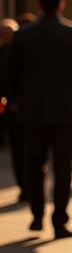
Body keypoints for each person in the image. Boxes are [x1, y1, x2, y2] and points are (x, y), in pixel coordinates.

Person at [0, 0, 72, 238]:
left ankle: (36, 215)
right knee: (63, 166)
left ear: (39, 4)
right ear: (62, 4)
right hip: (66, 111)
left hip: (32, 111)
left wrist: (8, 97)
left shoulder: (23, 35)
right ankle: (59, 220)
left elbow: (10, 73)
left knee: (34, 162)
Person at [0, 18, 26, 203]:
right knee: (18, 150)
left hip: (27, 109)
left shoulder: (23, 52)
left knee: (28, 150)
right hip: (11, 110)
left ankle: (30, 187)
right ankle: (24, 187)